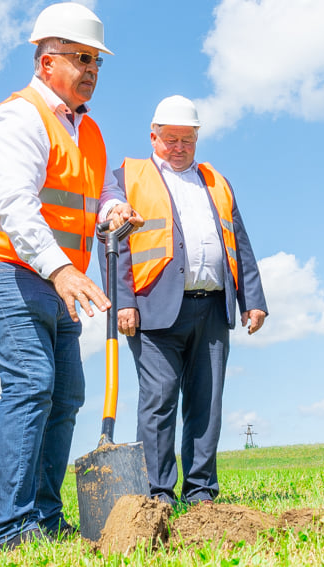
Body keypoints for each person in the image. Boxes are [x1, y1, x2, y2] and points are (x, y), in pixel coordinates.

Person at [0, 2, 141, 552]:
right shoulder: (21, 117)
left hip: (50, 275)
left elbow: (95, 195)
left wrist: (112, 212)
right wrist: (61, 269)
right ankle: (10, 531)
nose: (90, 70)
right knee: (32, 382)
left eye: (97, 62)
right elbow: (13, 204)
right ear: (44, 60)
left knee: (67, 394)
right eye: (80, 58)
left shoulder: (90, 131)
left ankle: (46, 519)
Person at [100, 95, 268, 505]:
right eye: (170, 139)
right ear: (153, 136)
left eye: (187, 140)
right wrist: (124, 301)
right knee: (158, 401)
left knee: (206, 403)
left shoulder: (216, 181)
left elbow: (239, 242)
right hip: (154, 308)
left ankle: (201, 493)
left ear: (197, 138)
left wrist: (253, 298)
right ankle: (158, 494)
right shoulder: (127, 177)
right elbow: (110, 241)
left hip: (211, 306)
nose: (178, 147)